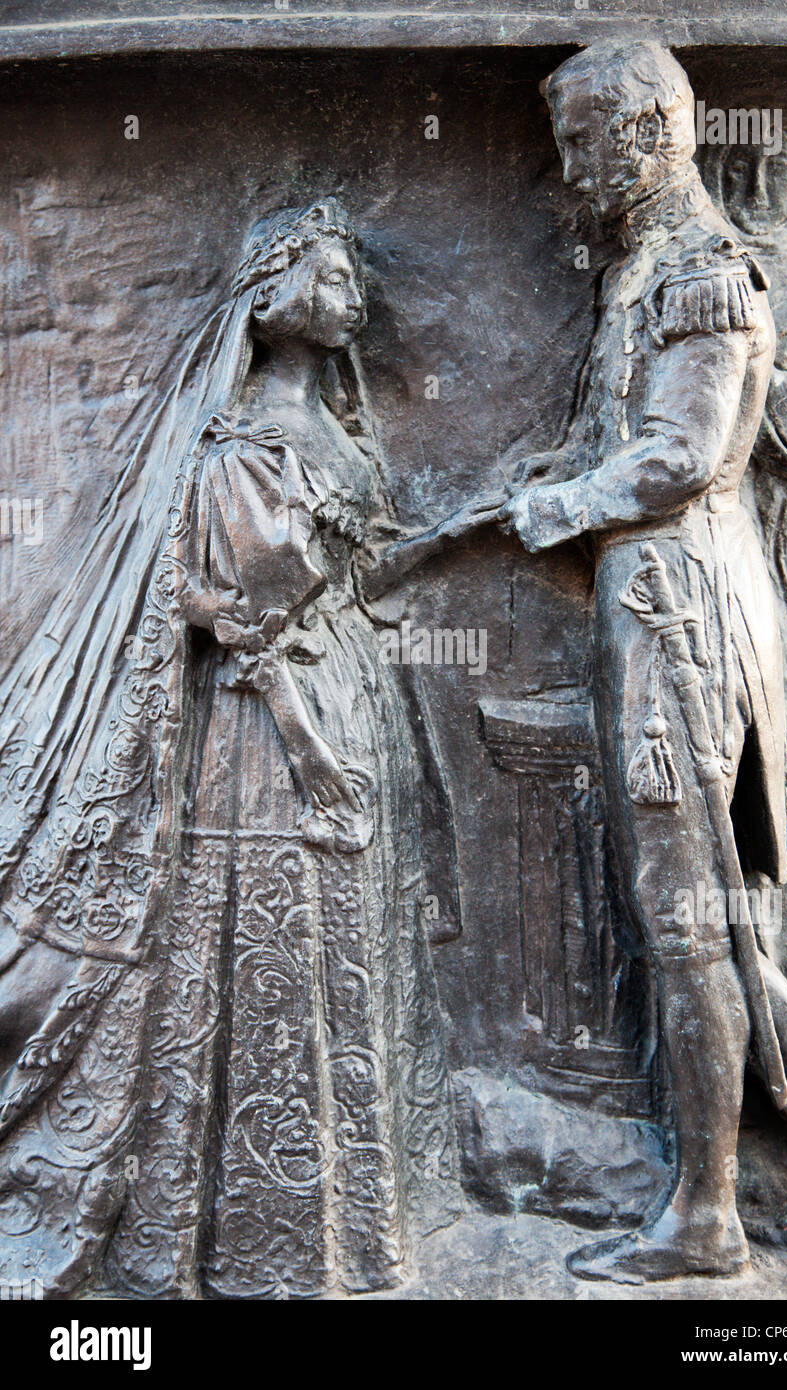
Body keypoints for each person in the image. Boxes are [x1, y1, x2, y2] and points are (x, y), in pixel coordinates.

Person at [0, 199, 461, 1298]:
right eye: (327, 270)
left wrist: (472, 523)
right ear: (268, 293)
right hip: (267, 730)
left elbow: (352, 579)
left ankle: (345, 1231)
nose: (351, 286)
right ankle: (243, 1243)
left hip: (348, 700)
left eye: (356, 270)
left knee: (340, 951)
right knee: (268, 945)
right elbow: (242, 625)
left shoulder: (335, 434)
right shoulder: (242, 439)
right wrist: (306, 749)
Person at [500, 40, 787, 1281]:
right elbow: (626, 441)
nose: (567, 171)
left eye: (581, 143)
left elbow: (677, 458)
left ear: (651, 132)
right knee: (726, 931)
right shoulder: (644, 272)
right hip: (659, 611)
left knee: (688, 929)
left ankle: (704, 1218)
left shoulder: (702, 273)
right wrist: (549, 479)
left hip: (680, 624)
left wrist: (559, 511)